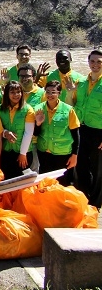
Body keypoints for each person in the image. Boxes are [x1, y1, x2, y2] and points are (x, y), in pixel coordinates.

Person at [64, 50, 102, 207]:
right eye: (93, 61)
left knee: (98, 169)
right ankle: (83, 201)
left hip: (98, 132)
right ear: (88, 62)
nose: (95, 65)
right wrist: (70, 92)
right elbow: (71, 106)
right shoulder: (81, 83)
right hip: (80, 129)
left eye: (99, 62)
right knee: (80, 167)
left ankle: (96, 204)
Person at [34, 80, 79, 186]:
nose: (50, 95)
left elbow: (76, 135)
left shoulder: (68, 110)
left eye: (53, 92)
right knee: (45, 183)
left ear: (59, 93)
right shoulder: (38, 109)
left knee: (62, 183)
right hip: (44, 152)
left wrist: (74, 155)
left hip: (63, 153)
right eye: (48, 92)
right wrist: (38, 123)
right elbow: (35, 134)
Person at [0, 81, 35, 180]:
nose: (16, 95)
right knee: (6, 180)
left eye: (18, 92)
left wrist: (23, 153)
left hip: (23, 154)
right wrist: (5, 133)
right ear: (7, 94)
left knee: (23, 182)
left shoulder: (28, 109)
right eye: (12, 92)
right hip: (6, 152)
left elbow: (28, 133)